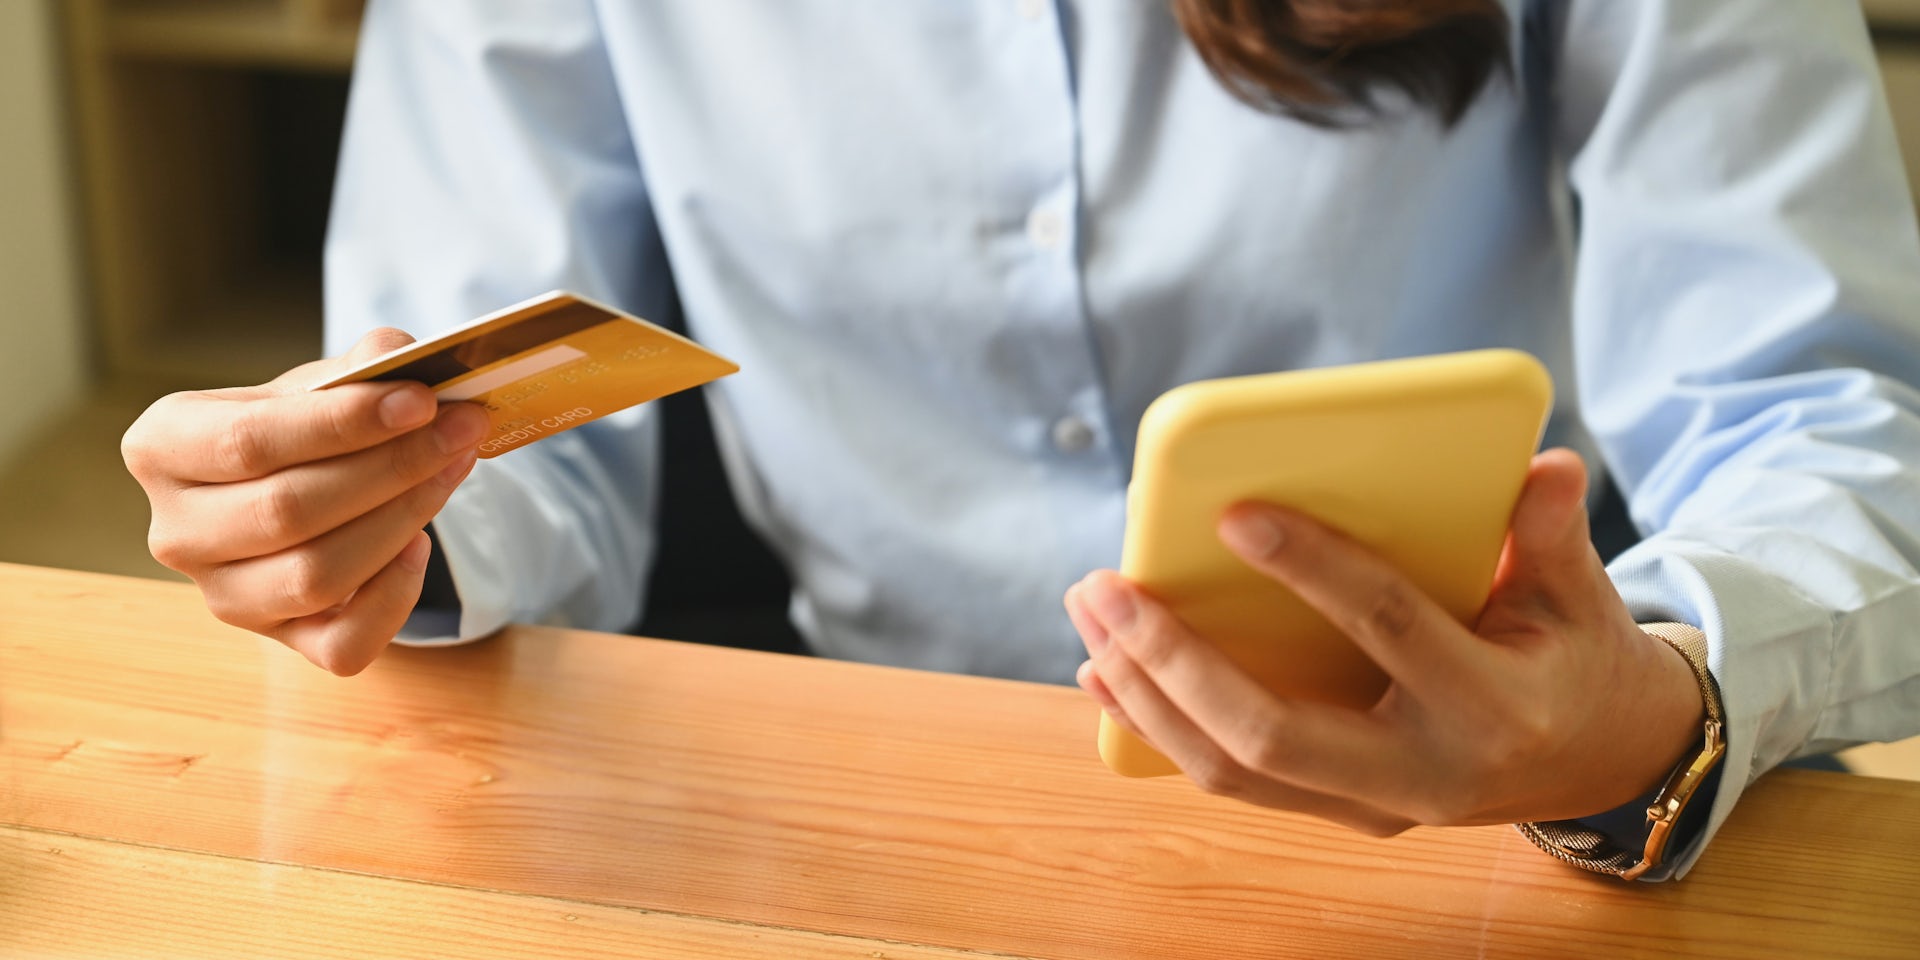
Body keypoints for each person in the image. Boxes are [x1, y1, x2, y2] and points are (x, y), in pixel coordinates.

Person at [121, 0, 1920, 881]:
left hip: (1482, 816)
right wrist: (369, 510)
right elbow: (495, 418)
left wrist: (1661, 706)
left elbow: (1833, 414)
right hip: (873, 827)